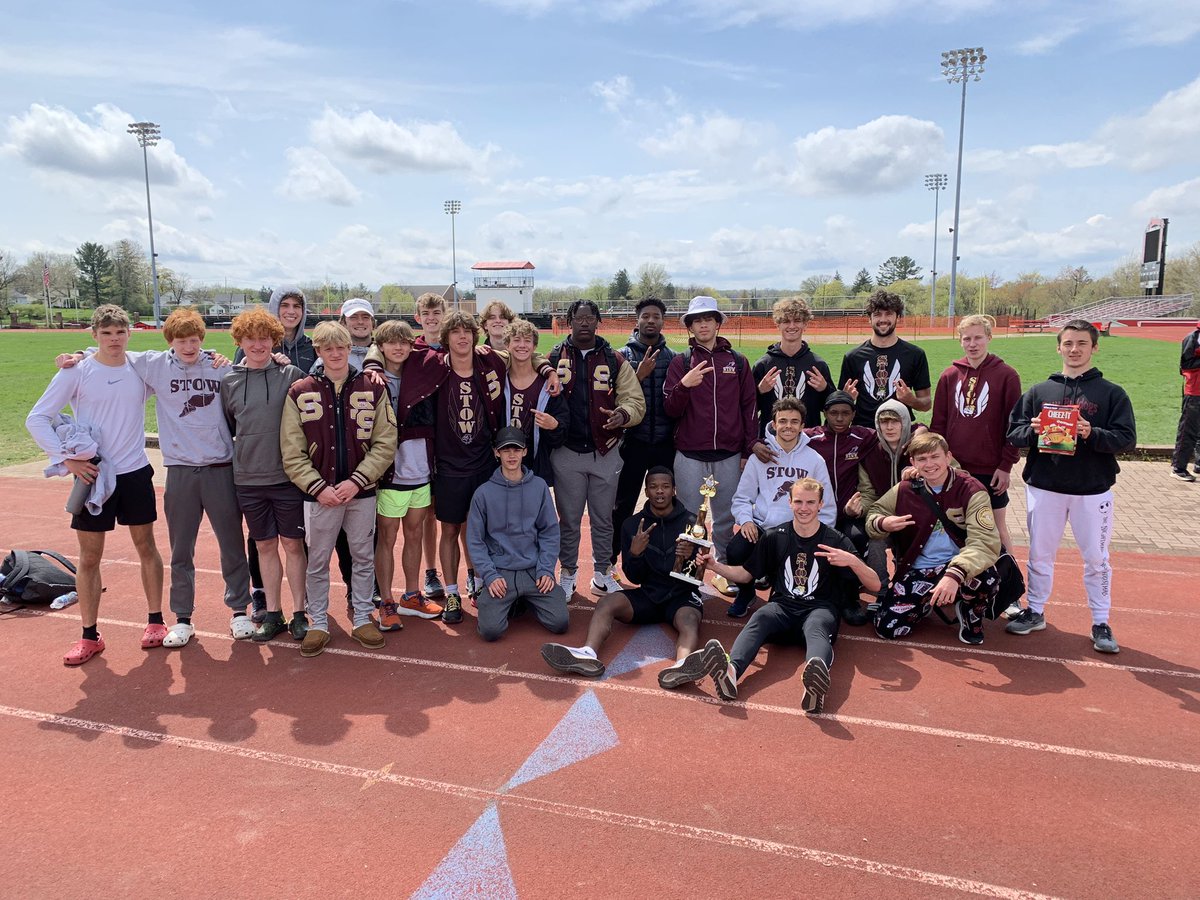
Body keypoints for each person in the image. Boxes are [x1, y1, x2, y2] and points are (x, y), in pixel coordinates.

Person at [54, 308, 250, 648]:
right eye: (180, 341)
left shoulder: (220, 367)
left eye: (193, 340)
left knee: (231, 545)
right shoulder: (153, 364)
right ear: (169, 342)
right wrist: (79, 356)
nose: (188, 347)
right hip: (179, 470)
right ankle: (183, 618)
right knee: (180, 550)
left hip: (220, 466)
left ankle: (239, 611)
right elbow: (110, 353)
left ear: (202, 340)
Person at [26, 305, 164, 665]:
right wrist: (65, 459)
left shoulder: (138, 366)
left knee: (146, 546)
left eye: (120, 332)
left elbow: (181, 357)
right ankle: (89, 635)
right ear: (94, 336)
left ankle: (155, 621)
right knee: (89, 557)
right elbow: (36, 417)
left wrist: (212, 357)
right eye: (106, 334)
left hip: (134, 471)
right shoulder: (77, 372)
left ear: (129, 334)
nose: (114, 340)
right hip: (93, 474)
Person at [1006, 320, 1136, 654]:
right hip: (1044, 486)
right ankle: (1035, 610)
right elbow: (1013, 434)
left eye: (1081, 343)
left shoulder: (1112, 393)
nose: (1074, 349)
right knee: (1039, 554)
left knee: (1096, 559)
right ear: (1058, 347)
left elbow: (1127, 439)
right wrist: (1033, 430)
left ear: (1094, 348)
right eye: (1068, 343)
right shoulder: (1038, 392)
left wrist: (1093, 433)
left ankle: (1100, 621)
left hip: (1092, 490)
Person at [699, 478, 880, 713]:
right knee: (761, 616)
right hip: (782, 608)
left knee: (817, 626)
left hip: (820, 609)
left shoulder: (835, 540)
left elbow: (875, 585)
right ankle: (730, 673)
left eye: (810, 502)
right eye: (799, 502)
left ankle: (814, 681)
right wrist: (714, 566)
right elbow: (746, 575)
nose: (804, 508)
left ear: (820, 505)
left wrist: (853, 561)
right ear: (790, 503)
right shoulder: (775, 536)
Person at [541, 467, 717, 691]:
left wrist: (686, 557)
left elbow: (695, 579)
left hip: (680, 596)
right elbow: (633, 577)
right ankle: (588, 653)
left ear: (674, 490)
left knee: (690, 620)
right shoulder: (632, 525)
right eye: (653, 487)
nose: (659, 492)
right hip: (648, 595)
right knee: (607, 602)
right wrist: (635, 553)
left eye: (665, 487)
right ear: (646, 491)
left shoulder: (695, 524)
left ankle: (682, 666)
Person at [281, 322, 397, 658]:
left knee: (362, 557)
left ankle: (362, 617)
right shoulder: (300, 390)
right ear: (317, 351)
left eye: (340, 347)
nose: (335, 353)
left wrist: (357, 480)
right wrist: (317, 487)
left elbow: (386, 440)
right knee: (317, 560)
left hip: (360, 492)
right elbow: (291, 449)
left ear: (350, 349)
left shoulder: (372, 388)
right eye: (327, 348)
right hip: (320, 495)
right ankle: (318, 622)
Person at [663, 295, 765, 597]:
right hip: (690, 455)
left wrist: (748, 450)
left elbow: (750, 407)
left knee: (725, 517)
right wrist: (685, 384)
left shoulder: (738, 361)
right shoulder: (681, 362)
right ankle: (689, 575)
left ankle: (722, 569)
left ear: (718, 323)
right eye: (697, 320)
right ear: (690, 327)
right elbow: (669, 407)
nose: (703, 324)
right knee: (692, 517)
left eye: (709, 318)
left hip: (730, 455)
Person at [221, 309, 309, 642]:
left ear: (274, 340)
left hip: (287, 478)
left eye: (264, 339)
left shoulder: (291, 375)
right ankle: (274, 613)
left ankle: (300, 613)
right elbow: (231, 426)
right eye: (250, 339)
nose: (258, 345)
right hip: (248, 480)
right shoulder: (228, 381)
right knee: (265, 545)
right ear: (239, 341)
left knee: (293, 544)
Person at [866, 432, 1001, 646]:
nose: (929, 464)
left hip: (959, 566)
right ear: (912, 462)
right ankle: (925, 602)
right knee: (887, 628)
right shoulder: (905, 489)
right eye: (921, 459)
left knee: (988, 577)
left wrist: (954, 575)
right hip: (920, 568)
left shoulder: (972, 490)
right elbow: (874, 512)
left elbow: (984, 543)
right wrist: (883, 522)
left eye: (934, 457)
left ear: (948, 457)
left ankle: (970, 611)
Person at [550, 299, 645, 599]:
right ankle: (568, 574)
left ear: (598, 321)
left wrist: (624, 414)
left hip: (606, 450)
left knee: (604, 518)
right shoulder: (553, 357)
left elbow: (635, 400)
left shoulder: (615, 359)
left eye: (591, 317)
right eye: (579, 318)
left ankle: (602, 573)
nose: (585, 323)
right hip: (567, 451)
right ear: (569, 321)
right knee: (569, 519)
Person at [431, 310, 511, 622]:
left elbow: (527, 354)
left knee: (481, 528)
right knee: (450, 528)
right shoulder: (434, 367)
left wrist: (546, 368)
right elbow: (387, 349)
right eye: (455, 332)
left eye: (467, 331)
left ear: (475, 337)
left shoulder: (490, 362)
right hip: (449, 466)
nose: (462, 336)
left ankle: (477, 581)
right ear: (446, 337)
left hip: (482, 462)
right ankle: (451, 594)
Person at [726, 397, 836, 618]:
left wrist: (813, 534)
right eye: (783, 421)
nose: (788, 426)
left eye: (794, 421)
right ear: (773, 424)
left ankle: (787, 596)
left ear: (802, 425)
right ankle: (746, 593)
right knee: (735, 550)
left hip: (798, 531)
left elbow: (827, 506)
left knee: (787, 591)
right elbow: (741, 499)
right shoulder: (760, 458)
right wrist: (746, 520)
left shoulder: (814, 460)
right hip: (763, 527)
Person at [371, 320, 445, 626]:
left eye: (404, 341)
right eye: (392, 342)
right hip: (391, 475)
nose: (399, 347)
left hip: (421, 471)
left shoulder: (422, 374)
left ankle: (411, 595)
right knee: (387, 537)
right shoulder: (373, 379)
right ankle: (386, 601)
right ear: (381, 346)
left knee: (415, 534)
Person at [466, 427, 568, 642]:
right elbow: (475, 540)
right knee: (491, 632)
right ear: (496, 453)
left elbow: (550, 532)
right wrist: (490, 575)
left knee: (560, 623)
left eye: (516, 449)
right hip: (501, 574)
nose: (511, 455)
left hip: (534, 571)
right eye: (505, 450)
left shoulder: (539, 487)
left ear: (524, 451)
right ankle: (507, 601)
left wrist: (546, 570)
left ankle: (524, 601)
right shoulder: (483, 493)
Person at [931, 314, 1022, 550]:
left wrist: (1005, 466)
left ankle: (1009, 581)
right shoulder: (949, 375)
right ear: (960, 341)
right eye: (967, 338)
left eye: (978, 338)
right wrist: (941, 462)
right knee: (955, 529)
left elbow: (1015, 426)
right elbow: (938, 424)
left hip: (990, 470)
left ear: (989, 338)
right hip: (955, 468)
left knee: (995, 529)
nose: (973, 344)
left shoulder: (1007, 375)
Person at [611, 297, 677, 578]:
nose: (651, 321)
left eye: (656, 317)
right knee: (622, 505)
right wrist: (638, 376)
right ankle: (609, 562)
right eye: (646, 316)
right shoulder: (621, 356)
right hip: (633, 443)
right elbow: (612, 399)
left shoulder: (674, 358)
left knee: (667, 503)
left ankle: (669, 561)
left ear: (663, 321)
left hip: (664, 444)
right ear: (636, 320)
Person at [850, 399, 926, 600]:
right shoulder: (870, 454)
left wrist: (923, 471)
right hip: (885, 517)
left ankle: (908, 586)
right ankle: (881, 591)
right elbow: (868, 494)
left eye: (895, 421)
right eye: (884, 422)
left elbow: (949, 471)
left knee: (914, 548)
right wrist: (859, 508)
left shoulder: (921, 448)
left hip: (918, 519)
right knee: (875, 538)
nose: (889, 427)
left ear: (905, 422)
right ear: (877, 424)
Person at [839, 290, 931, 428]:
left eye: (889, 314)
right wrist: (846, 400)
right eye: (877, 314)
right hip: (864, 431)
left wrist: (911, 400)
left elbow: (926, 404)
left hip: (899, 431)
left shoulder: (915, 355)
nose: (883, 319)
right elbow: (841, 405)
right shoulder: (853, 357)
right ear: (869, 318)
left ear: (898, 317)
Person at [503, 318, 568, 485]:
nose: (522, 345)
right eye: (516, 340)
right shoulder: (497, 382)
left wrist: (553, 425)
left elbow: (563, 426)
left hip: (536, 469)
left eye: (527, 341)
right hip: (501, 468)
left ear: (534, 347)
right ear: (507, 345)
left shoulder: (548, 384)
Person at [753, 297, 832, 431]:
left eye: (797, 321)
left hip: (808, 439)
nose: (791, 326)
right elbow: (748, 408)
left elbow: (831, 409)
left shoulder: (818, 365)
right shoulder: (763, 365)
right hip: (771, 440)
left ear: (805, 324)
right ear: (777, 324)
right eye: (785, 321)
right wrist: (759, 391)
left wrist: (825, 389)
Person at [414, 291, 448, 601]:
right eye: (427, 312)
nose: (432, 317)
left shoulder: (459, 345)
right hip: (423, 439)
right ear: (419, 317)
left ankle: (470, 573)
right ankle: (430, 571)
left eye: (437, 312)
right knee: (426, 511)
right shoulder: (411, 349)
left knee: (455, 514)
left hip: (454, 439)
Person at [1170, 320, 1200, 482]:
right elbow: (1185, 364)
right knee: (1188, 430)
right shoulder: (1193, 338)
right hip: (1194, 391)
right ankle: (1178, 467)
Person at [339, 297, 376, 372]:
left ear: (372, 322)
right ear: (343, 323)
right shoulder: (332, 357)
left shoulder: (388, 353)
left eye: (365, 317)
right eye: (353, 317)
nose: (360, 322)